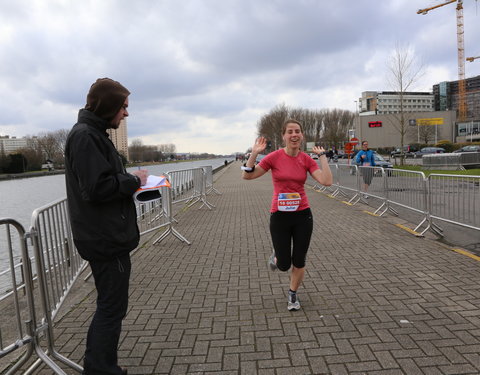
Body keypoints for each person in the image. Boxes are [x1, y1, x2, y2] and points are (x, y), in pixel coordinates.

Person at [65, 78, 148, 375]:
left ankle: (99, 365)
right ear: (108, 105)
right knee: (112, 308)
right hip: (105, 239)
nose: (126, 114)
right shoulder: (86, 136)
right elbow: (97, 188)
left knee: (110, 306)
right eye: (123, 107)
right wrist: (134, 180)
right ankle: (100, 368)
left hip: (104, 235)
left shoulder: (93, 134)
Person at [242, 119, 333, 311]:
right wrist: (255, 154)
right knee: (284, 265)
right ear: (283, 136)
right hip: (280, 216)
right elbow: (248, 175)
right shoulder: (274, 157)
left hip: (303, 216)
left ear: (301, 135)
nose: (294, 135)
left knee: (299, 260)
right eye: (290, 132)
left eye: (297, 131)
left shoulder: (306, 159)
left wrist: (322, 157)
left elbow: (326, 182)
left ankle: (292, 294)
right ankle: (277, 257)